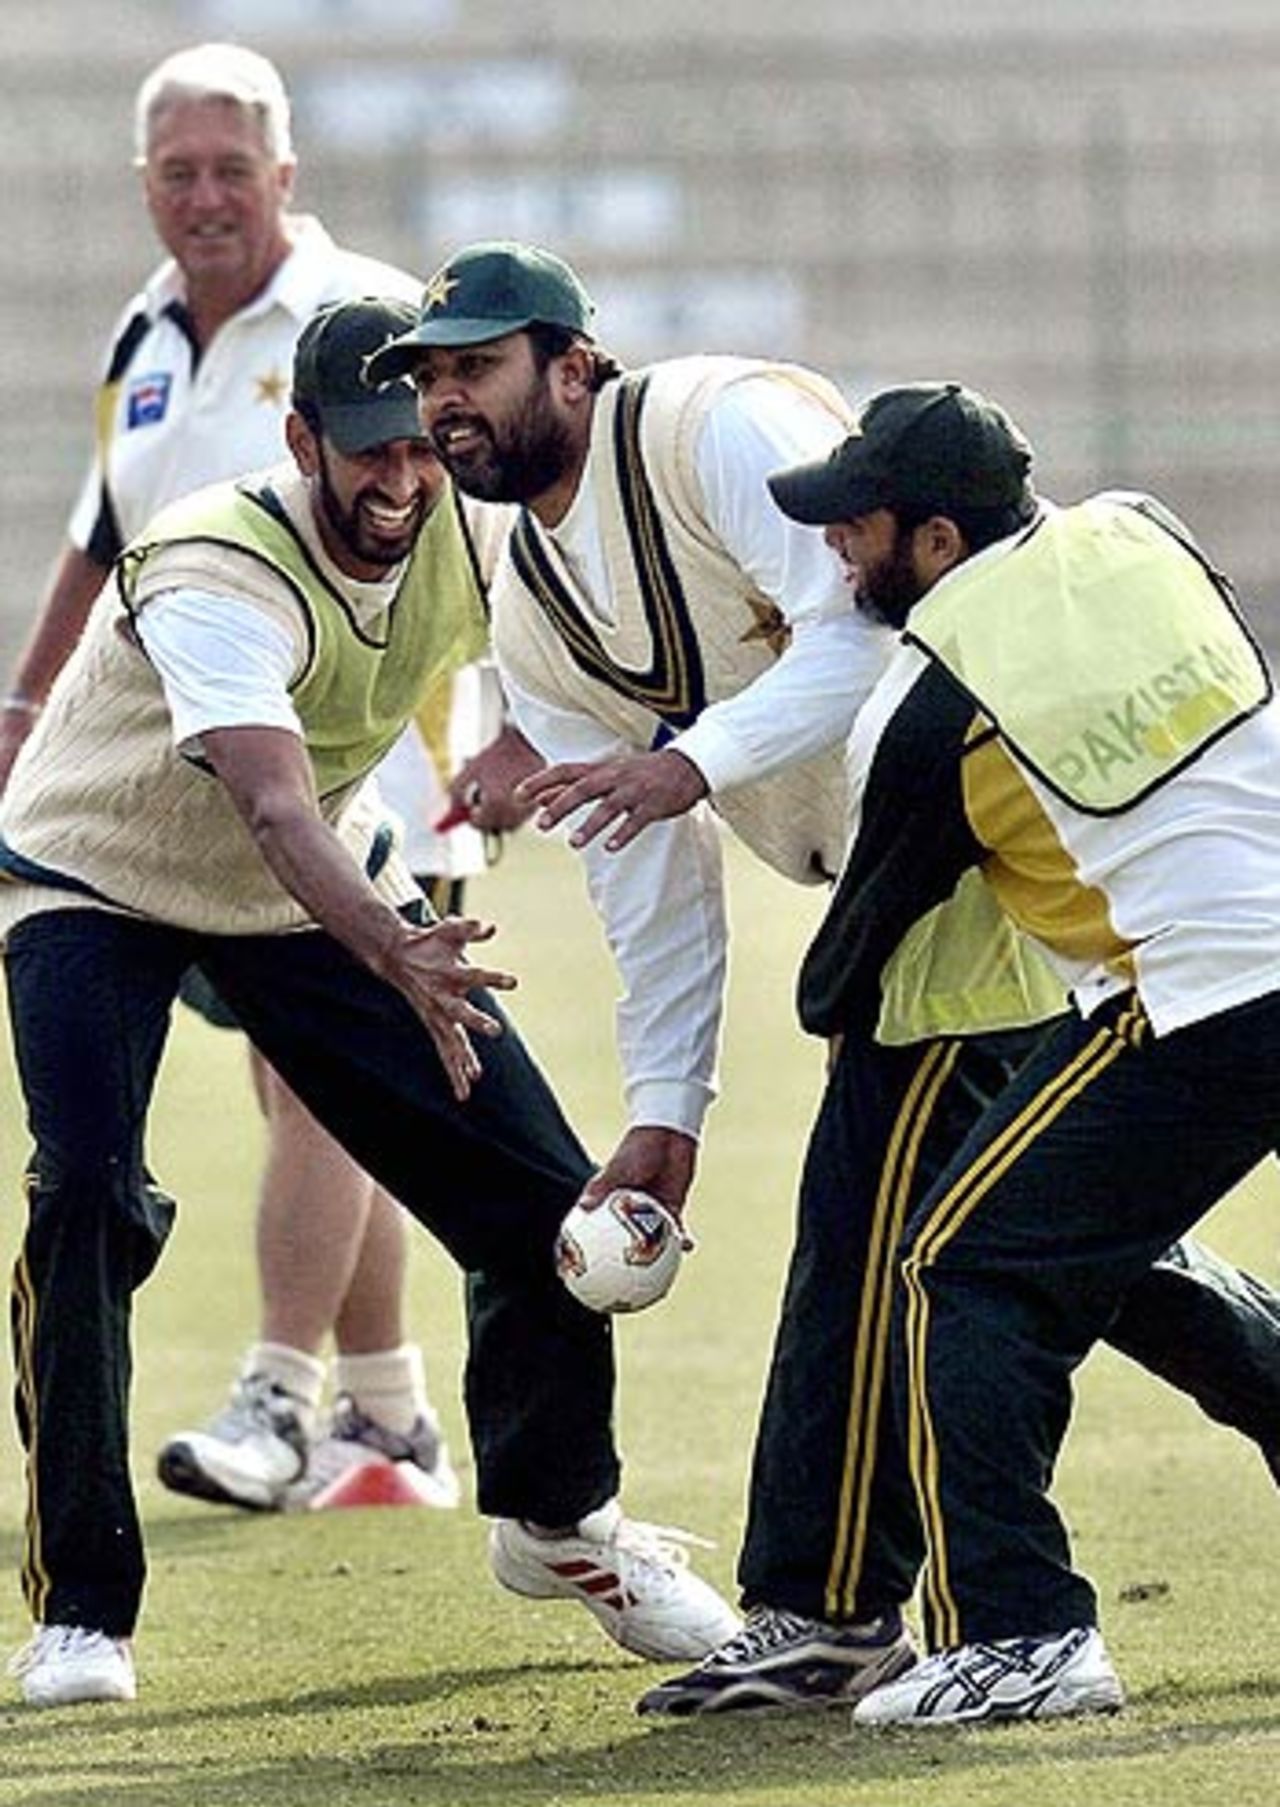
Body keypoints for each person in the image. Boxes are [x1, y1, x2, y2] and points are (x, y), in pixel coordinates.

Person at [369, 246, 1280, 1717]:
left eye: (470, 366)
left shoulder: (722, 430)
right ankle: (844, 1606)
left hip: (991, 897)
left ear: (574, 362)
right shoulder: (530, 602)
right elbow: (636, 850)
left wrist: (689, 765)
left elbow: (873, 651)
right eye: (425, 378)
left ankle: (848, 1610)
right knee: (1037, 1242)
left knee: (914, 1249)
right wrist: (666, 1109)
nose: (443, 401)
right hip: (1045, 913)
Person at [1, 296, 739, 1710]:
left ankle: (558, 1525)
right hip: (97, 873)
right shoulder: (220, 564)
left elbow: (557, 671)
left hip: (312, 883)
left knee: (541, 1197)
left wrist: (522, 758)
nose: (400, 481)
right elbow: (273, 806)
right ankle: (82, 1613)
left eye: (419, 447)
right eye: (365, 454)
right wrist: (397, 951)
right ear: (302, 442)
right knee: (87, 1195)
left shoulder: (476, 527)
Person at [754, 380, 1280, 1725]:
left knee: (960, 1262)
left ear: (936, 541)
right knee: (1073, 1239)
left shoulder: (936, 698)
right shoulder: (1142, 535)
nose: (835, 549)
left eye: (857, 526)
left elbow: (844, 972)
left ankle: (1024, 1631)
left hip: (1213, 996)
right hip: (1242, 957)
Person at [0, 40, 470, 1512]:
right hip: (183, 806)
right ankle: (389, 1418)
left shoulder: (364, 319)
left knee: (320, 1085)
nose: (207, 198)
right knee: (303, 1096)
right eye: (180, 173)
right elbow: (104, 542)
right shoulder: (143, 337)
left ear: (286, 177)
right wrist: (26, 708)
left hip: (373, 780)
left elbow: (465, 502)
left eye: (232, 170)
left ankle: (280, 1394)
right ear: (146, 184)